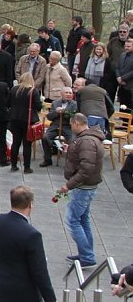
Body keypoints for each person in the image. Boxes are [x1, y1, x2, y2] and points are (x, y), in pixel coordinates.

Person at [0, 186, 56, 302]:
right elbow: (40, 272)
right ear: (30, 204)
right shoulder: (32, 235)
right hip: (24, 293)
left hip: (2, 287)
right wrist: (51, 299)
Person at [59, 113, 105, 268]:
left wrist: (69, 185)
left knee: (72, 220)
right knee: (83, 219)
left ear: (77, 123)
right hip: (88, 186)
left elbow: (86, 168)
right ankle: (86, 253)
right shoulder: (89, 138)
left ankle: (87, 255)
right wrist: (70, 150)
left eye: (72, 125)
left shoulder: (86, 141)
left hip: (83, 187)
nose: (71, 128)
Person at [8, 72, 42, 173]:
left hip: (14, 118)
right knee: (27, 144)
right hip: (28, 120)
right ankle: (27, 167)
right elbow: (38, 106)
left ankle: (13, 165)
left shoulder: (14, 89)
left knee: (16, 142)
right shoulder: (33, 91)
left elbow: (8, 103)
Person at [39, 87, 76, 167]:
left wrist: (65, 112)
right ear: (61, 94)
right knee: (45, 137)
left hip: (68, 127)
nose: (68, 94)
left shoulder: (74, 104)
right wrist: (56, 112)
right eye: (66, 92)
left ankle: (70, 162)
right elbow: (49, 117)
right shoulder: (55, 103)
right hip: (55, 126)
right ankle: (48, 159)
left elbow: (73, 116)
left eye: (70, 93)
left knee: (73, 141)